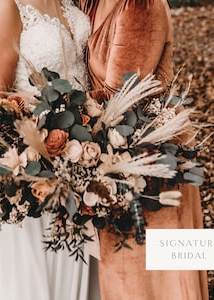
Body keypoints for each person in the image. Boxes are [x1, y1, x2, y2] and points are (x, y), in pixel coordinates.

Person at [0, 1, 98, 299]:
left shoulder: (67, 1)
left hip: (80, 167)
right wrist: (44, 148)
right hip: (31, 176)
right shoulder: (1, 5)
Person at [79, 0, 209, 299]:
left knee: (146, 275)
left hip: (151, 154)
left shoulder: (141, 6)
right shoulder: (90, 2)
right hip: (112, 151)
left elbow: (119, 96)